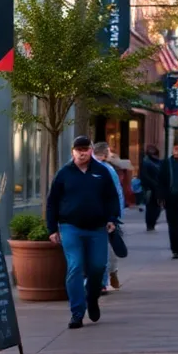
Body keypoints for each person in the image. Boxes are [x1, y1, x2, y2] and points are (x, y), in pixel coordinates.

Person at [46, 136, 119, 329]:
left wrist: (112, 218)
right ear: (73, 151)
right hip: (70, 227)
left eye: (85, 149)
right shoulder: (64, 174)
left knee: (98, 267)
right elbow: (52, 202)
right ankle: (77, 313)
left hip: (97, 228)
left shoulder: (102, 172)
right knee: (75, 266)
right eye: (78, 149)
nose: (82, 153)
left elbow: (112, 198)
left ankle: (92, 298)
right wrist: (52, 228)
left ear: (91, 151)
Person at [92, 142, 125, 291]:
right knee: (105, 247)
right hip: (104, 215)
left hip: (98, 215)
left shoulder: (102, 168)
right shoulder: (109, 169)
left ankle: (103, 280)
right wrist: (117, 215)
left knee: (101, 248)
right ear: (105, 154)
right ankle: (109, 276)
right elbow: (117, 194)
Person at [139, 144, 163, 231]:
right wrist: (153, 184)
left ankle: (152, 223)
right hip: (150, 189)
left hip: (158, 188)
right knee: (151, 207)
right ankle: (150, 224)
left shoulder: (159, 162)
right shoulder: (146, 162)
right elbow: (144, 176)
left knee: (157, 207)